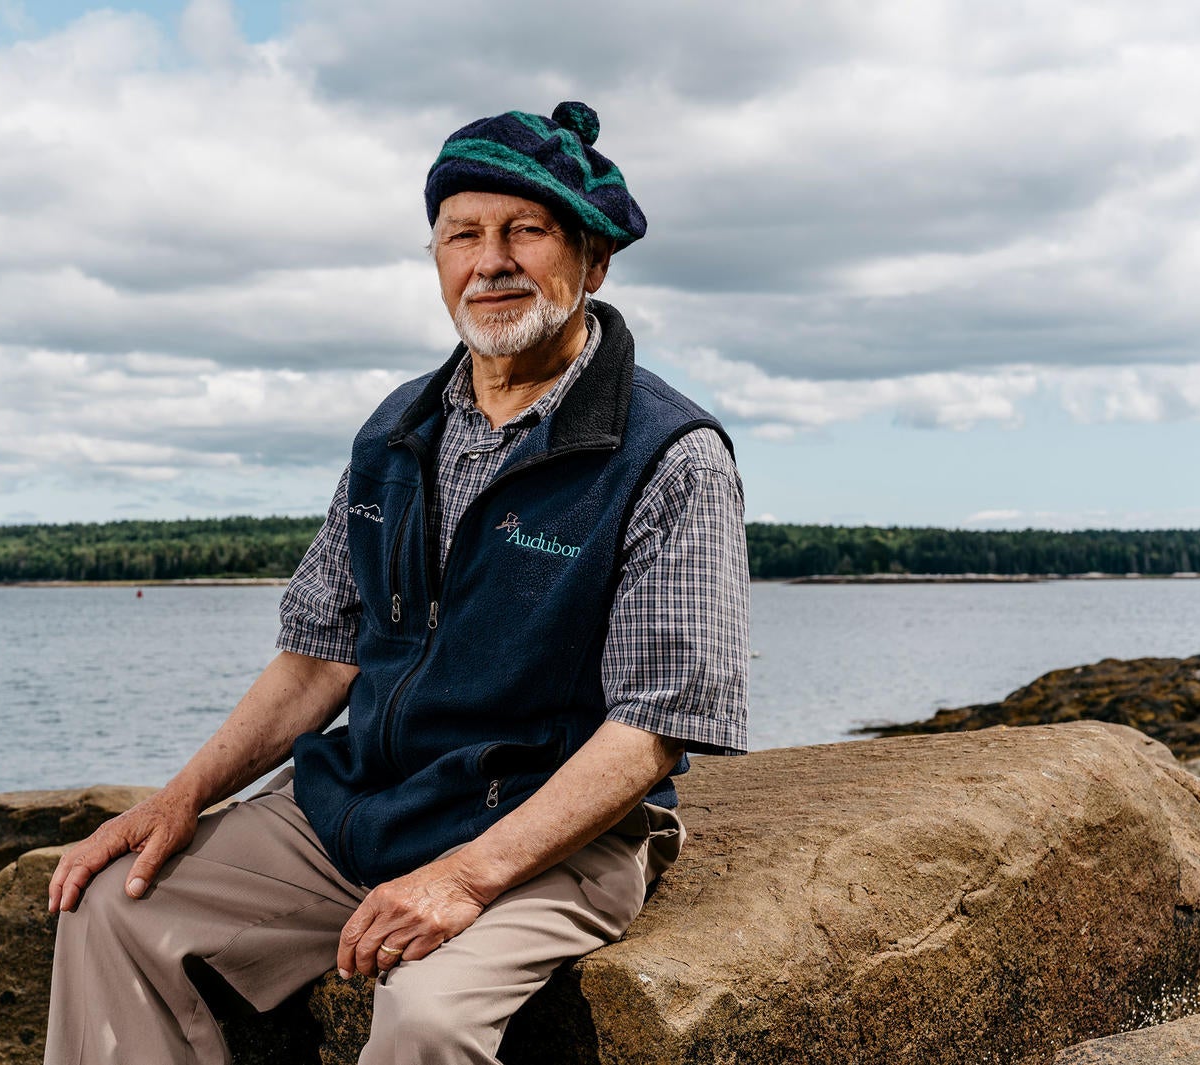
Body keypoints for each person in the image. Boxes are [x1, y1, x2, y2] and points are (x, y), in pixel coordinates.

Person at [43, 100, 749, 1065]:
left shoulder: (670, 453)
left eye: (525, 231)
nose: (490, 261)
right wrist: (179, 799)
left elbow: (655, 723)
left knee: (425, 1015)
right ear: (435, 258)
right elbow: (318, 658)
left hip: (543, 836)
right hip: (363, 804)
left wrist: (463, 876)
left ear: (591, 262)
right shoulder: (394, 432)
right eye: (463, 234)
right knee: (112, 905)